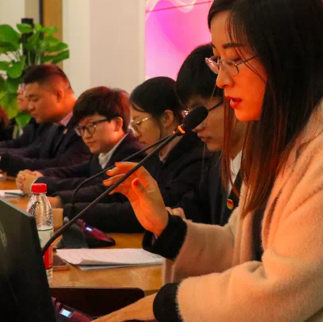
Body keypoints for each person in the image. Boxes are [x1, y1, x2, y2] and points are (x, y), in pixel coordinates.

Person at [97, 0, 323, 321]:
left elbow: (278, 292)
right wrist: (165, 226)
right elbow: (240, 246)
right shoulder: (283, 134)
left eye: (234, 60)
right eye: (218, 60)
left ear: (287, 57)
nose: (222, 80)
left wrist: (165, 304)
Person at [49, 77, 207, 233]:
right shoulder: (155, 154)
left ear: (166, 118)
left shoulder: (196, 159)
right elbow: (118, 193)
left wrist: (68, 212)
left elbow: (149, 211)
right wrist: (63, 203)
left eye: (139, 123)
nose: (135, 133)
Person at [14, 86, 143, 196]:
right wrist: (39, 174)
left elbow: (99, 187)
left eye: (91, 126)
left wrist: (40, 183)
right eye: (81, 128)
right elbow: (77, 170)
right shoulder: (103, 149)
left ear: (117, 123)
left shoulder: (132, 153)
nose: (85, 135)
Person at [0, 65, 90, 175]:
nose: (30, 107)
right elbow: (34, 152)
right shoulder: (56, 124)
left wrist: (1, 161)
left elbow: (62, 166)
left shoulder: (85, 125)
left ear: (58, 95)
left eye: (34, 100)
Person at [171, 44, 247, 225]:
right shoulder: (216, 162)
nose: (195, 127)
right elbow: (193, 210)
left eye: (200, 111)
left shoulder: (270, 167)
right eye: (189, 113)